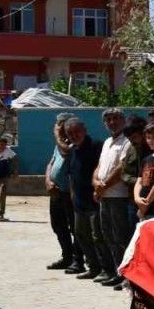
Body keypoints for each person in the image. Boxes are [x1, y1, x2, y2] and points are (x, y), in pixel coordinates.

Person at [93, 108, 134, 288]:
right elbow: (100, 166)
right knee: (108, 235)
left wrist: (102, 187)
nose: (112, 122)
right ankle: (116, 272)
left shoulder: (127, 141)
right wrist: (96, 182)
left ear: (123, 120)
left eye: (116, 118)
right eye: (108, 119)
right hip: (104, 196)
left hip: (118, 196)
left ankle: (126, 276)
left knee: (121, 237)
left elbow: (121, 168)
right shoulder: (107, 142)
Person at [63, 118, 107, 284]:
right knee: (81, 235)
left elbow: (102, 170)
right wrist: (72, 195)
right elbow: (71, 175)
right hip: (79, 202)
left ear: (84, 129)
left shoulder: (97, 146)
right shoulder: (72, 150)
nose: (74, 135)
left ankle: (105, 269)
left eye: (77, 131)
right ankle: (93, 267)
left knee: (98, 237)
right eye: (70, 133)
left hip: (95, 200)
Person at [45, 114, 80, 270]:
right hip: (56, 192)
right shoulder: (58, 144)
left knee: (75, 227)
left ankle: (78, 259)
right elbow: (51, 163)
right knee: (58, 225)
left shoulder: (73, 142)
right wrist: (48, 180)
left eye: (61, 125)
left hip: (69, 193)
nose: (59, 127)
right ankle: (67, 256)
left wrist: (57, 135)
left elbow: (66, 152)